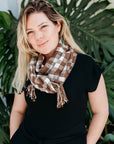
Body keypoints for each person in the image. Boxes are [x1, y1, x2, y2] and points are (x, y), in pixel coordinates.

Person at [10, 0, 109, 144]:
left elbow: (101, 112)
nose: (38, 37)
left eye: (43, 27)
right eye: (30, 32)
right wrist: (14, 139)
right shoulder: (27, 67)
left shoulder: (85, 65)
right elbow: (18, 110)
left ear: (58, 25)